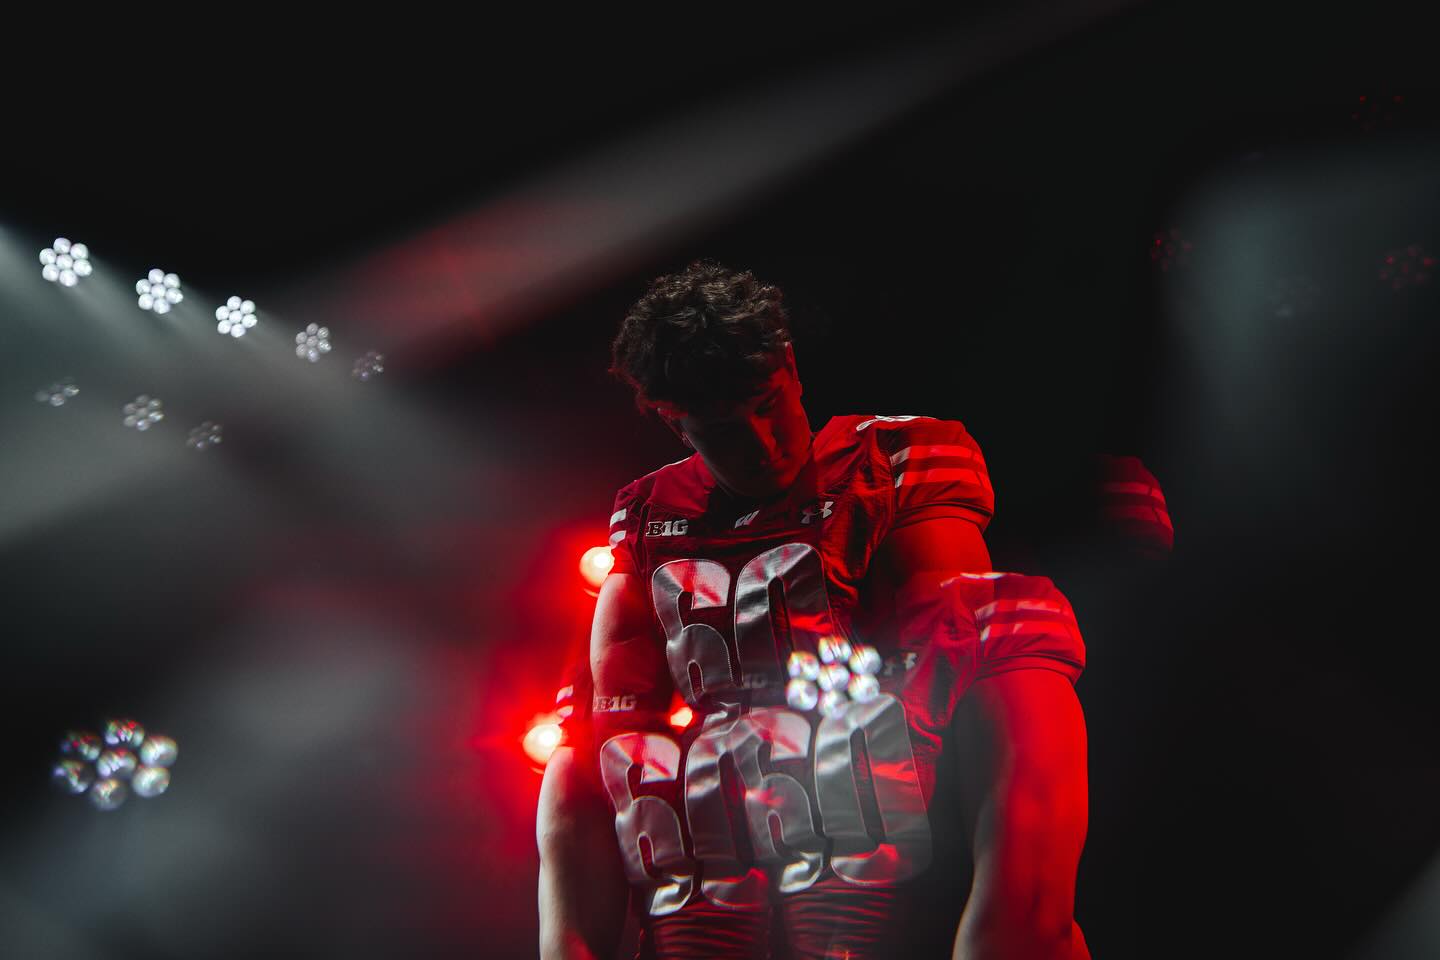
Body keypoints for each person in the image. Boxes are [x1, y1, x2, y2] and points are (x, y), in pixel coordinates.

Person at [537, 259, 1091, 959]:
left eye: (768, 404)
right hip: (733, 810)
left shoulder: (892, 456)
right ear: (678, 422)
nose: (762, 444)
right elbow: (610, 723)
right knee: (578, 744)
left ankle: (1014, 926)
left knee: (1013, 634)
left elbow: (948, 641)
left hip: (885, 764)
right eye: (725, 429)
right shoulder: (650, 513)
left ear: (791, 368)